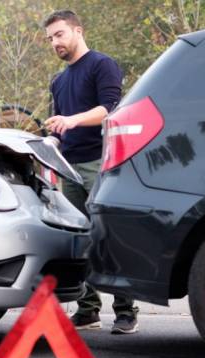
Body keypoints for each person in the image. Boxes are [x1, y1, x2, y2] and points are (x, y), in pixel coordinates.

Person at [44, 10, 139, 334]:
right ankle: (88, 310)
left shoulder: (102, 64)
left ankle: (126, 311)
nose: (54, 42)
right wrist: (51, 138)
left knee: (109, 236)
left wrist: (71, 120)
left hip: (102, 163)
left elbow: (109, 110)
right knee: (80, 240)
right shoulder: (58, 80)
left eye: (59, 34)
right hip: (69, 168)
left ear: (77, 31)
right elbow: (59, 124)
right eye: (50, 38)